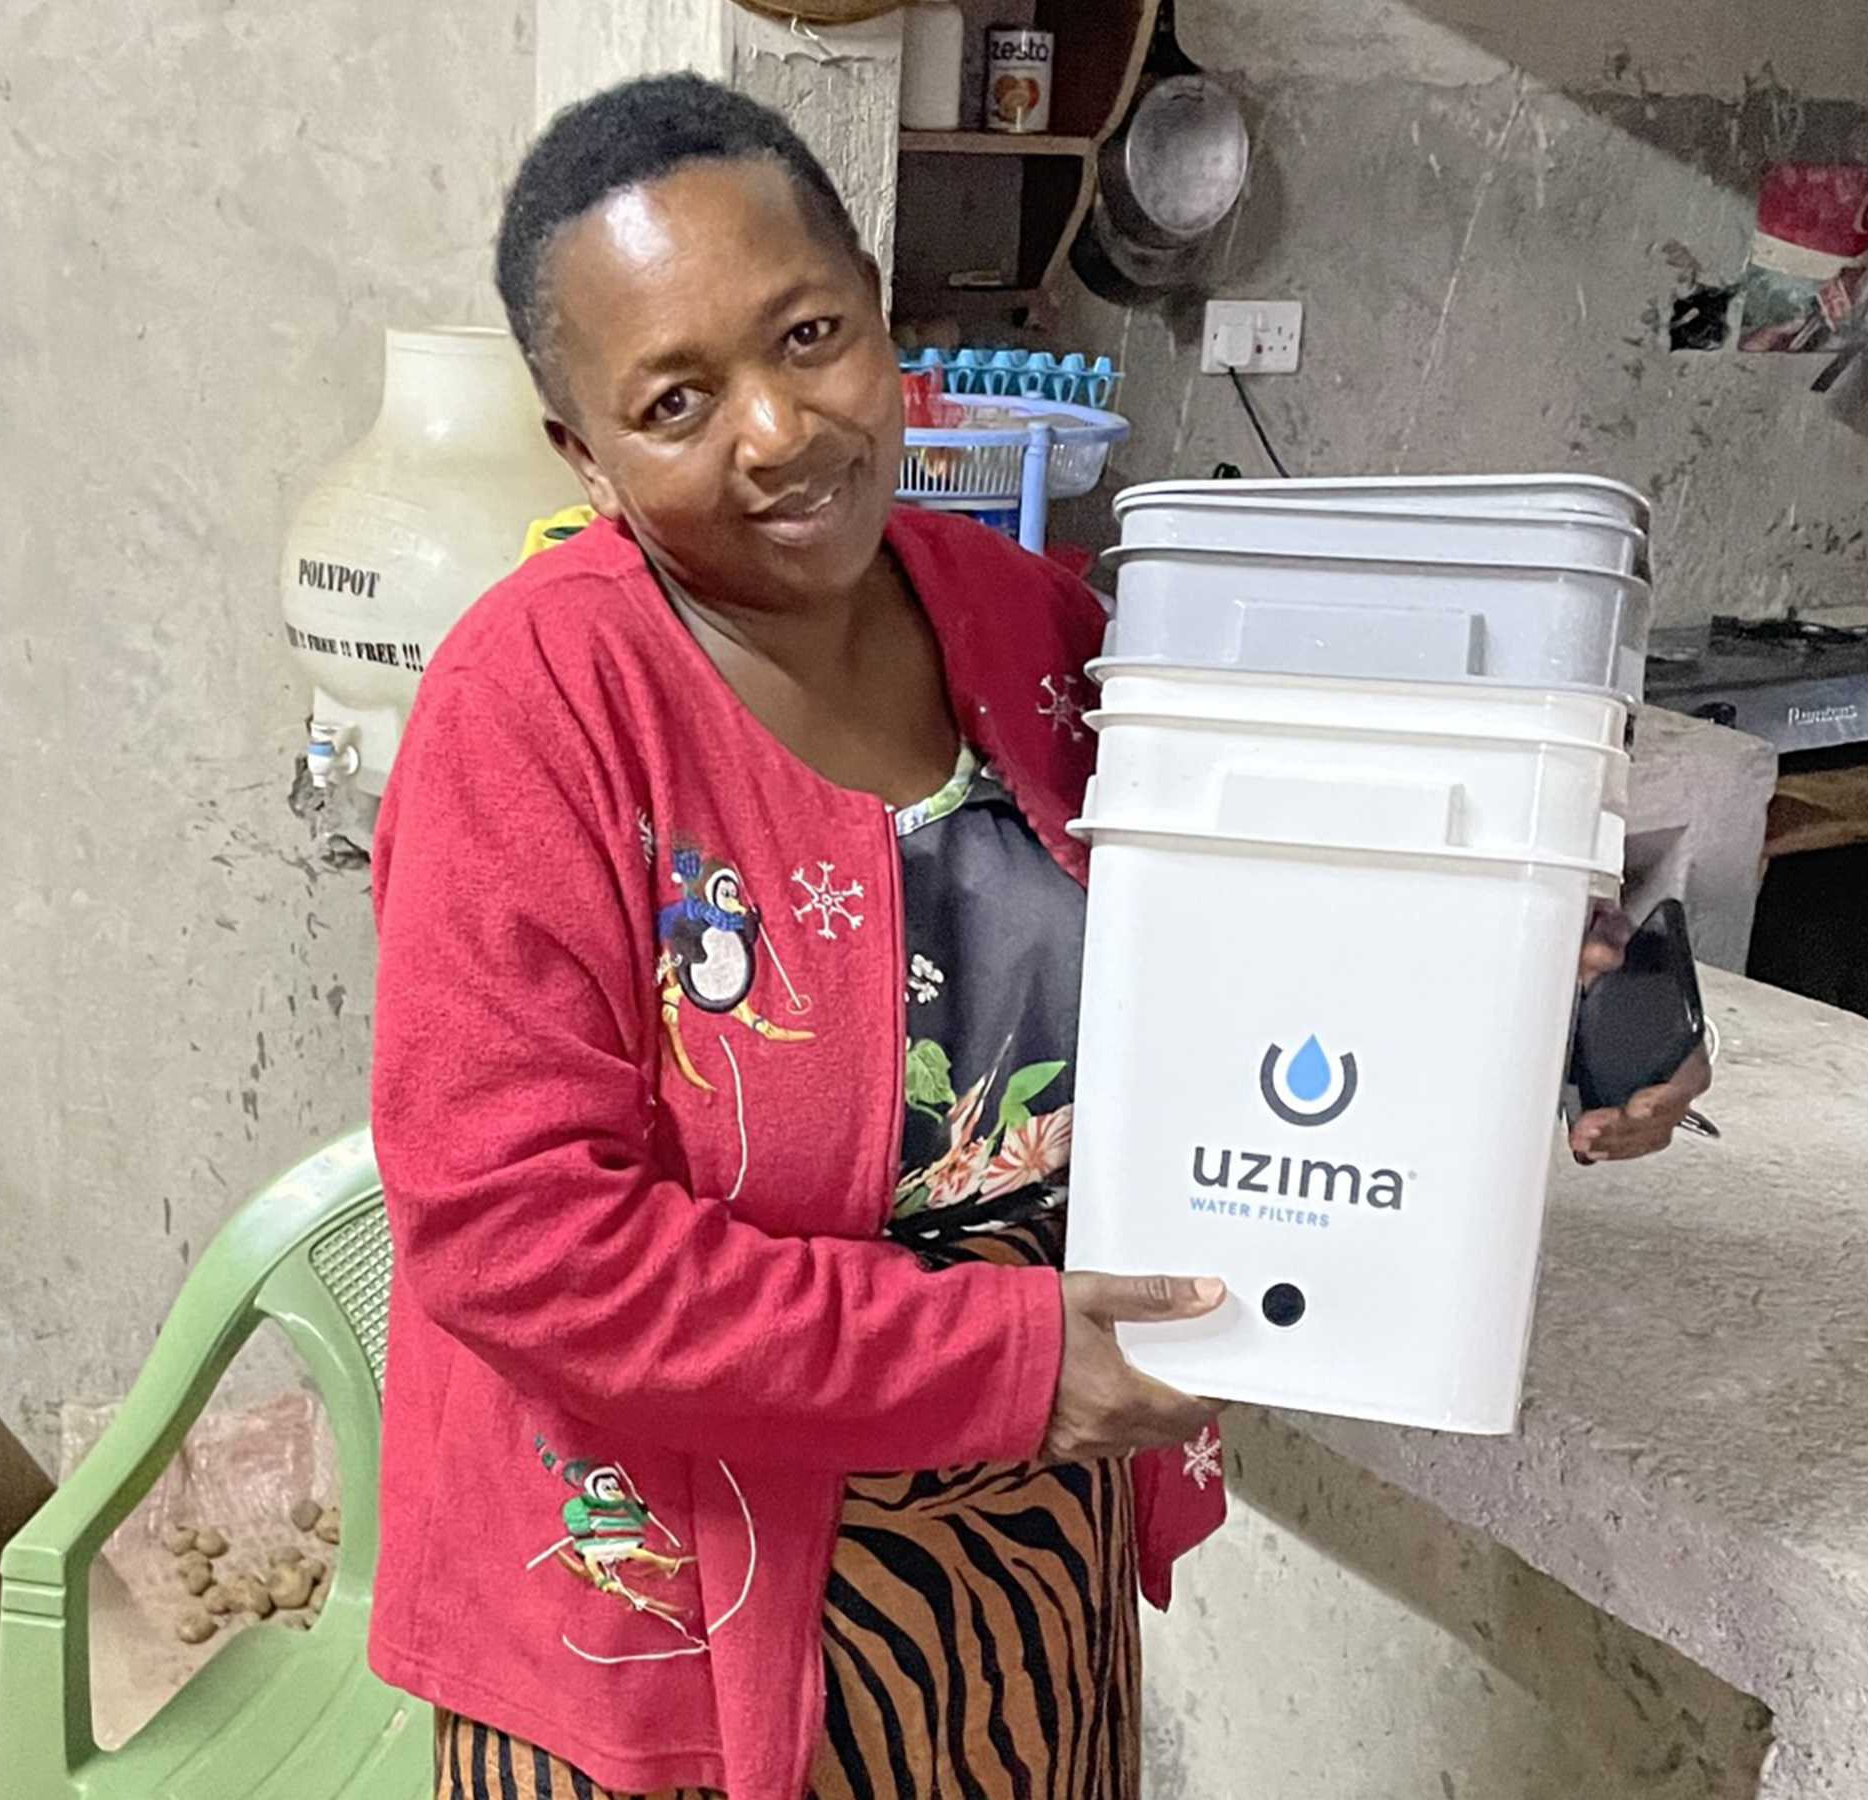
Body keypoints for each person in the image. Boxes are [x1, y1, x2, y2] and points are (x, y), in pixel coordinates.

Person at [366, 73, 1708, 1800]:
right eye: (677, 398)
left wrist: (1535, 1003)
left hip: (1020, 1571)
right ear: (585, 452)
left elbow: (1279, 947)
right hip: (684, 1614)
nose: (776, 430)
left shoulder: (1047, 629)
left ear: (884, 316)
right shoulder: (535, 706)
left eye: (810, 335)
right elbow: (517, 1240)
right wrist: (1007, 1364)